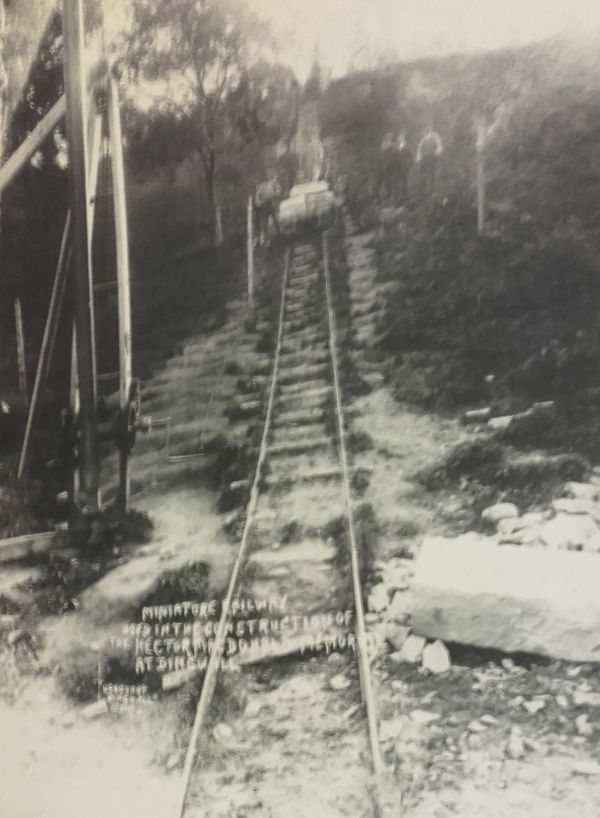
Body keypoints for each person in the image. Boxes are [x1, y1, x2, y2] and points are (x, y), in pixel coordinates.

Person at [416, 125, 443, 198]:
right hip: (425, 159)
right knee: (422, 175)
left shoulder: (434, 137)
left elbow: (439, 146)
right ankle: (422, 191)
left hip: (432, 158)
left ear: (430, 131)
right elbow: (419, 148)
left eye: (427, 130)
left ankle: (433, 191)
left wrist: (438, 152)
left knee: (432, 174)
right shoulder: (423, 139)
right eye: (425, 131)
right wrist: (419, 156)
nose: (425, 132)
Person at [254, 174, 281, 245]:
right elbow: (257, 196)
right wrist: (259, 203)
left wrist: (275, 194)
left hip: (270, 203)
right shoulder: (262, 187)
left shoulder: (272, 184)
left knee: (275, 219)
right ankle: (265, 239)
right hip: (264, 206)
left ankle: (279, 234)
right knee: (264, 223)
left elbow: (278, 191)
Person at [390, 131, 413, 204]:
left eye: (402, 137)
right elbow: (391, 156)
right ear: (397, 138)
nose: (400, 138)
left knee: (404, 182)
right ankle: (395, 199)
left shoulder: (407, 146)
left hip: (404, 167)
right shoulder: (394, 145)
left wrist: (410, 165)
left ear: (404, 138)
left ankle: (406, 197)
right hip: (395, 167)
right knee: (395, 183)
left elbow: (411, 156)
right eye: (399, 137)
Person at [376, 132, 396, 204]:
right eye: (388, 138)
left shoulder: (392, 147)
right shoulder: (383, 144)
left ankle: (389, 197)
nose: (389, 139)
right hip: (381, 167)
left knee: (388, 183)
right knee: (378, 182)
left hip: (388, 168)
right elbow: (380, 156)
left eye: (390, 138)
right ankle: (377, 198)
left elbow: (393, 158)